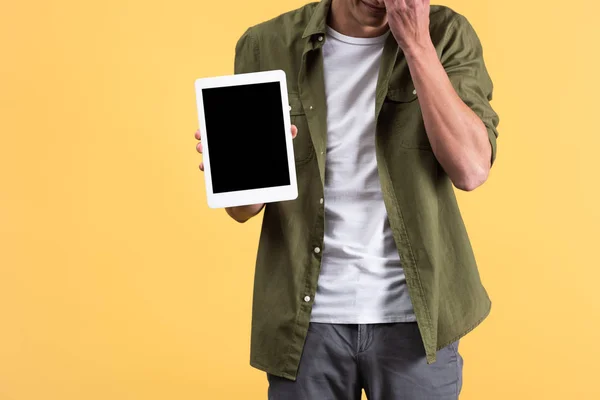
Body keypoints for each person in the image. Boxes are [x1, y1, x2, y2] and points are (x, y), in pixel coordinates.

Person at [194, 0, 499, 398]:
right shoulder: (266, 44)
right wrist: (239, 167)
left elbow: (472, 169)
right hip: (305, 329)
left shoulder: (444, 34)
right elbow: (241, 210)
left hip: (417, 324)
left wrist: (418, 45)